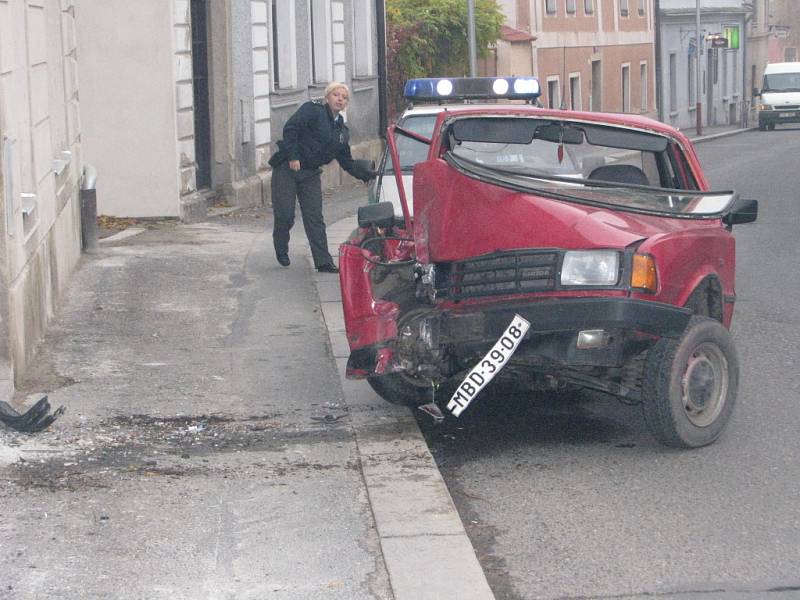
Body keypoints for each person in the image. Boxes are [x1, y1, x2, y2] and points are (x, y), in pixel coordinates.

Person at [268, 82, 376, 273]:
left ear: (346, 104)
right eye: (336, 95)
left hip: (310, 173)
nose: (340, 99)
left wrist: (364, 175)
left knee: (315, 218)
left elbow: (346, 160)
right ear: (327, 98)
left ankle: (323, 262)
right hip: (287, 167)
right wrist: (293, 156)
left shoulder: (342, 132)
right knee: (285, 215)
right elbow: (291, 129)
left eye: (343, 97)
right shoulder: (313, 110)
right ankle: (281, 246)